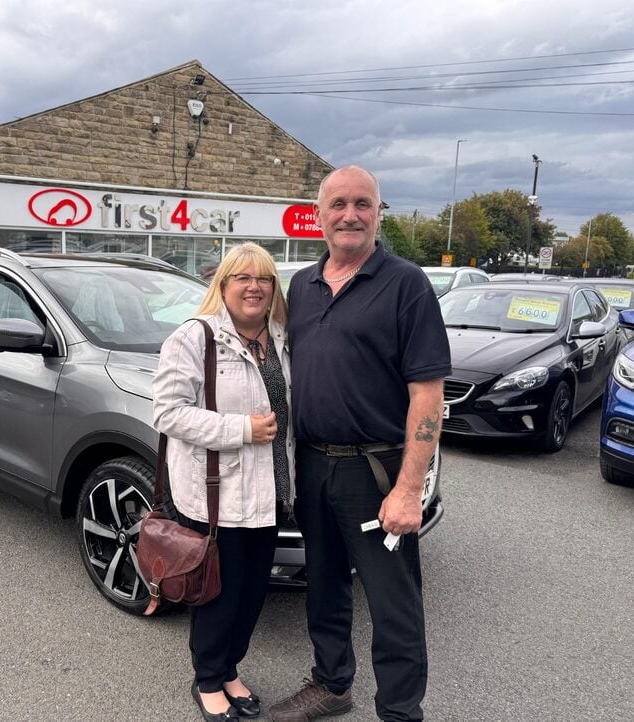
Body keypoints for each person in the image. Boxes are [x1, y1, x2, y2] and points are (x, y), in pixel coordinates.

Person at [269, 166, 451, 722]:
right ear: (319, 215)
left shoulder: (406, 284)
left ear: (379, 213)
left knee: (393, 601)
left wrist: (408, 489)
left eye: (363, 204)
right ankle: (331, 684)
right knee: (323, 587)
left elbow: (427, 394)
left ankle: (400, 711)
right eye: (339, 204)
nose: (351, 214)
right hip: (314, 465)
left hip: (376, 472)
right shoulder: (300, 285)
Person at [152, 242, 295, 721]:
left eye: (265, 278)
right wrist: (241, 430)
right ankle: (208, 680)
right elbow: (167, 412)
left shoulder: (280, 336)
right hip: (219, 495)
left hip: (271, 492)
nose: (255, 286)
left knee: (253, 594)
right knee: (218, 594)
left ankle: (230, 668)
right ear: (223, 285)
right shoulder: (196, 338)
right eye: (243, 277)